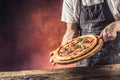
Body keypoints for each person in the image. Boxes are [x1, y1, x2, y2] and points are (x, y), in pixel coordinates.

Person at [50, 0, 120, 67]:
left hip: (115, 59)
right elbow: (71, 31)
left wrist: (116, 25)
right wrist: (62, 52)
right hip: (84, 63)